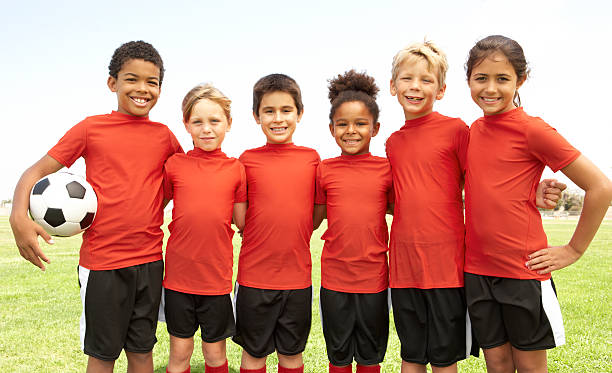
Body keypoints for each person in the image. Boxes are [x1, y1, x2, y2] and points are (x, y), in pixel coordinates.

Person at [385, 41, 565, 373]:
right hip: (404, 267)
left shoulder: (457, 131)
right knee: (410, 355)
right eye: (407, 78)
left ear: (441, 90)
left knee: (443, 356)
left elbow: (488, 174)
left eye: (426, 80)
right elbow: (403, 197)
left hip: (449, 267)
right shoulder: (392, 143)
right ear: (393, 85)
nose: (415, 86)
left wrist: (531, 191)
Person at [9, 40, 183, 372]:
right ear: (112, 83)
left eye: (152, 82)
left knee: (142, 352)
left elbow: (183, 182)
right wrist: (19, 215)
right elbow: (35, 172)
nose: (142, 89)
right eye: (132, 79)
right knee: (103, 356)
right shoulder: (91, 128)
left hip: (149, 262)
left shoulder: (165, 137)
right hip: (103, 265)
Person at [463, 34, 612, 373]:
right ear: (468, 79)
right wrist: (531, 192)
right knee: (497, 364)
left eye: (502, 79)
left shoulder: (533, 130)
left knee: (530, 367)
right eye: (481, 78)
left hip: (523, 270)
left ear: (520, 80)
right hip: (476, 270)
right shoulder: (473, 130)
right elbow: (488, 186)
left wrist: (573, 250)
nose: (490, 88)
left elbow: (601, 187)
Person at [233, 74, 320, 373]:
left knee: (291, 355)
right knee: (254, 355)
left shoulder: (312, 159)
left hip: (297, 280)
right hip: (255, 279)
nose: (278, 118)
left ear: (300, 113)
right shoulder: (246, 160)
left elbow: (316, 212)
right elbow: (241, 216)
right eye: (269, 111)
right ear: (256, 116)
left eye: (286, 110)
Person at [162, 84, 247, 373]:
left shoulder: (236, 169)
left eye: (214, 121)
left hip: (216, 280)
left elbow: (242, 221)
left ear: (229, 124)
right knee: (180, 353)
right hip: (178, 280)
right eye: (197, 122)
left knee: (214, 354)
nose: (206, 129)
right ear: (186, 124)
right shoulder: (174, 165)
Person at [313, 70, 392, 373]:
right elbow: (314, 218)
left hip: (374, 279)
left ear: (375, 128)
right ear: (331, 128)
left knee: (370, 355)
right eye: (343, 124)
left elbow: (404, 208)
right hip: (335, 279)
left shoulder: (387, 169)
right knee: (340, 354)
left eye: (360, 124)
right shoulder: (325, 169)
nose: (351, 131)